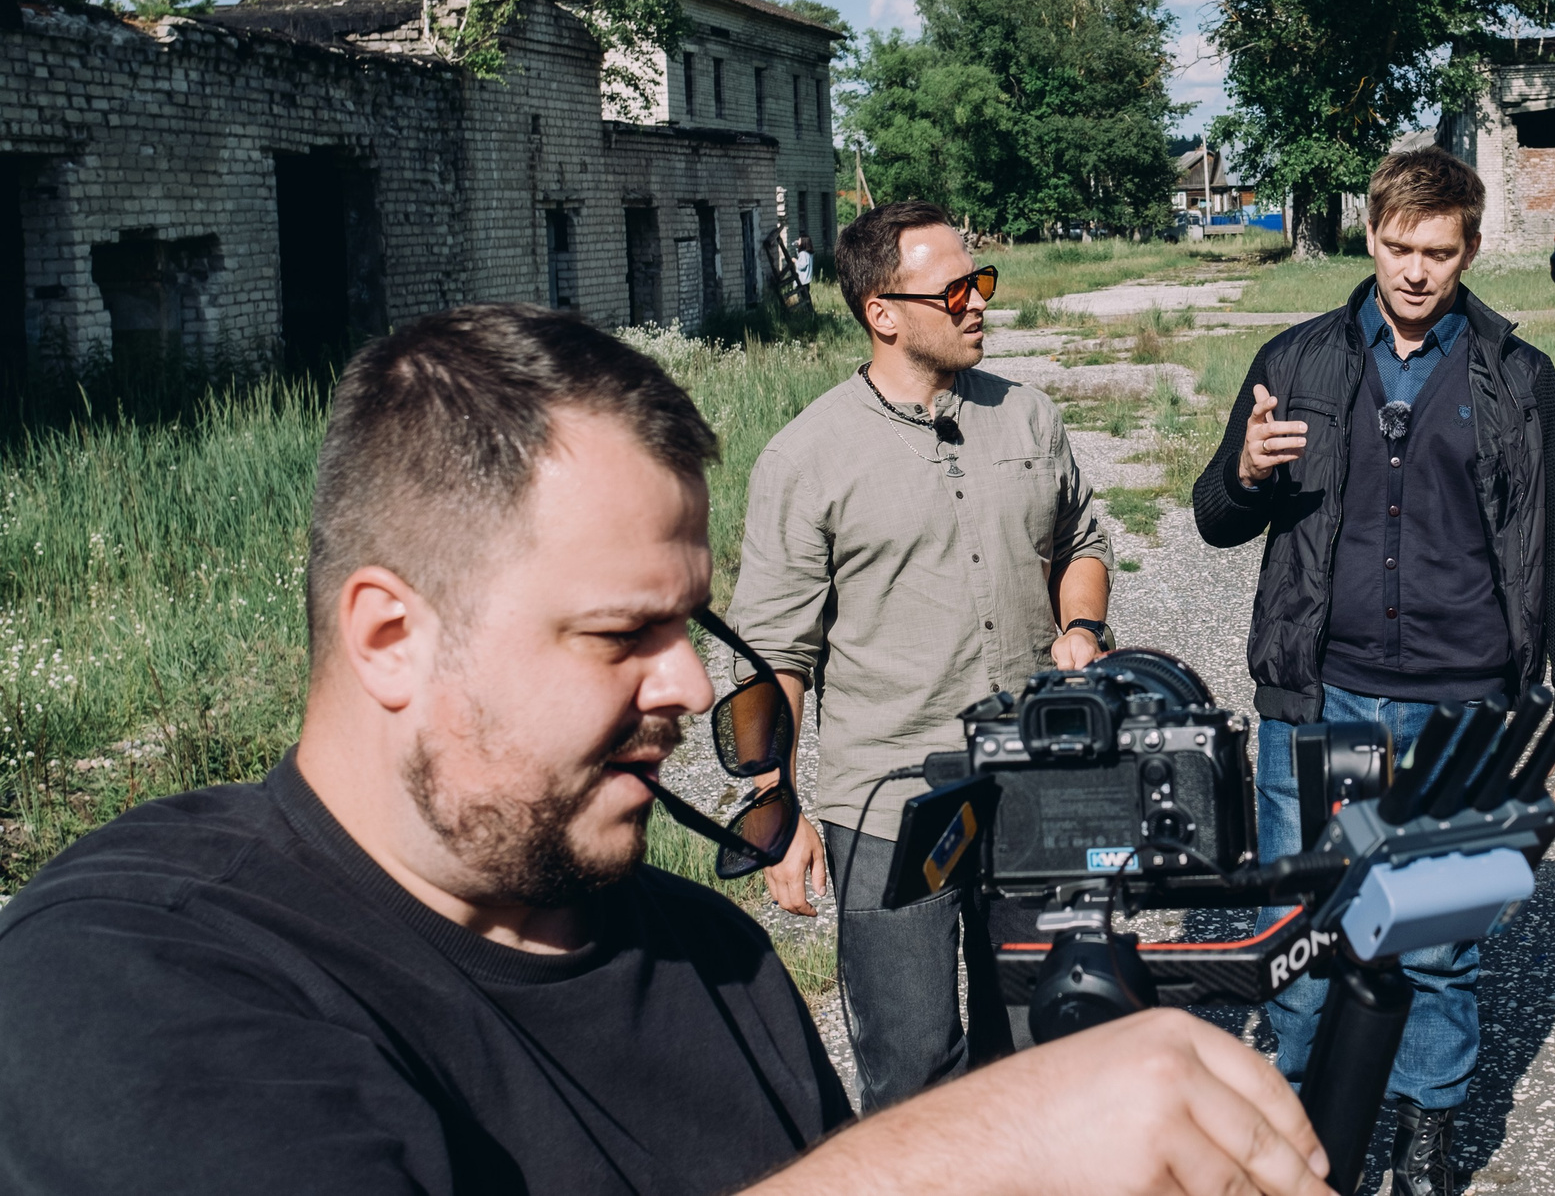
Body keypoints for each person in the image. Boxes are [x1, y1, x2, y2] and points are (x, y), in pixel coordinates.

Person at [0, 304, 1329, 1196]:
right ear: (393, 635)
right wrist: (980, 1144)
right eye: (620, 631)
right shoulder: (129, 967)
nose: (690, 684)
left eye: (690, 622)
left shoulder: (715, 957)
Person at [1194, 146, 1555, 1196]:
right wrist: (1244, 474)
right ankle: (1293, 1138)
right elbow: (1211, 517)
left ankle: (1422, 1141)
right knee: (1305, 935)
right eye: (1396, 246)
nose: (1415, 271)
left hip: (1465, 706)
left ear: (1470, 248)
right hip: (1322, 697)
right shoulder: (1295, 360)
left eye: (1438, 251)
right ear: (1368, 233)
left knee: (1434, 949)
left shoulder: (1517, 376)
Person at [730, 200, 1115, 1115]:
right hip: (891, 800)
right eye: (958, 288)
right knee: (911, 1070)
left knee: (1036, 1043)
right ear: (884, 311)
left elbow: (1085, 539)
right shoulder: (808, 458)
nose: (980, 301)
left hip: (1030, 776)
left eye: (981, 281)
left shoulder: (1027, 417)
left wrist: (1084, 628)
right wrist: (773, 807)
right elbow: (773, 654)